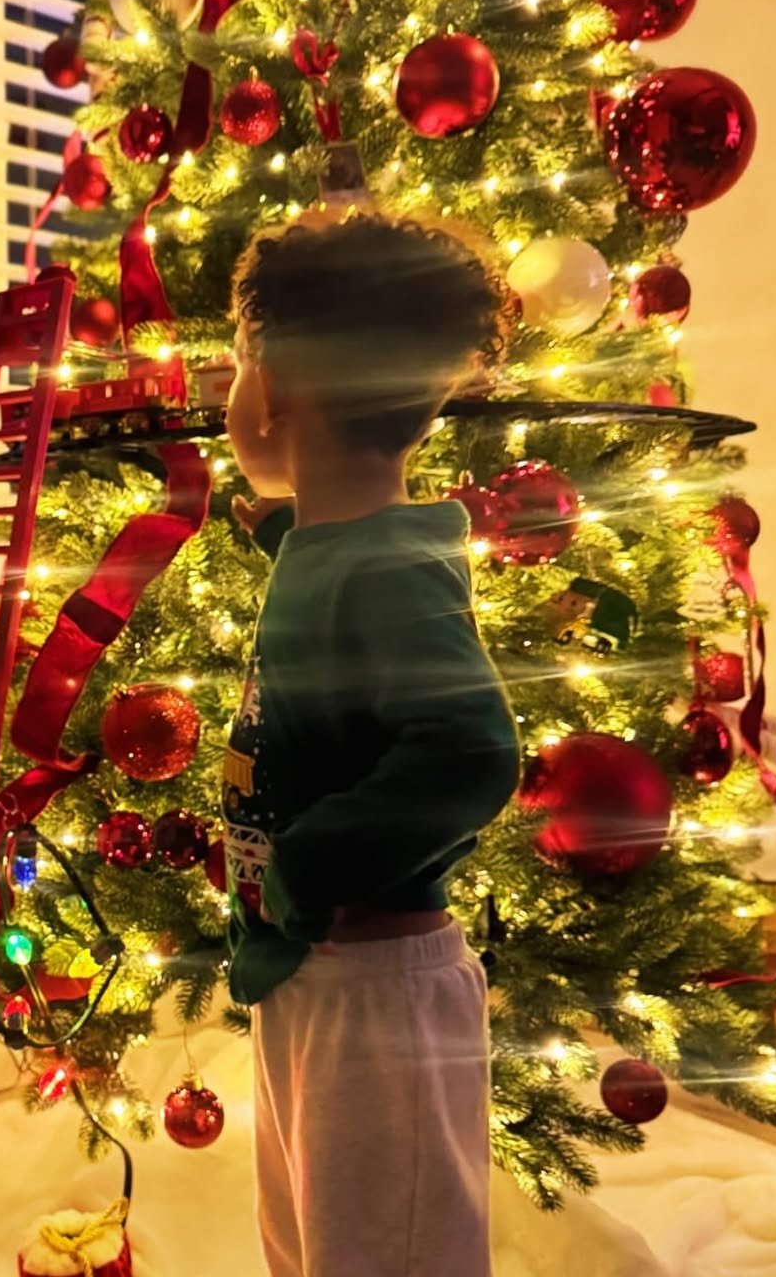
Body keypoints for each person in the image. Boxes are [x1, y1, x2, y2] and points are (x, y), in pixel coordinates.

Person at [222, 215, 520, 1277]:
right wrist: (247, 524)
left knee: (386, 1253)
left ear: (281, 385)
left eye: (237, 367)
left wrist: (310, 861)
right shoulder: (335, 546)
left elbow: (472, 751)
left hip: (375, 989)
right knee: (312, 1243)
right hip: (315, 972)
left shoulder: (387, 570)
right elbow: (325, 590)